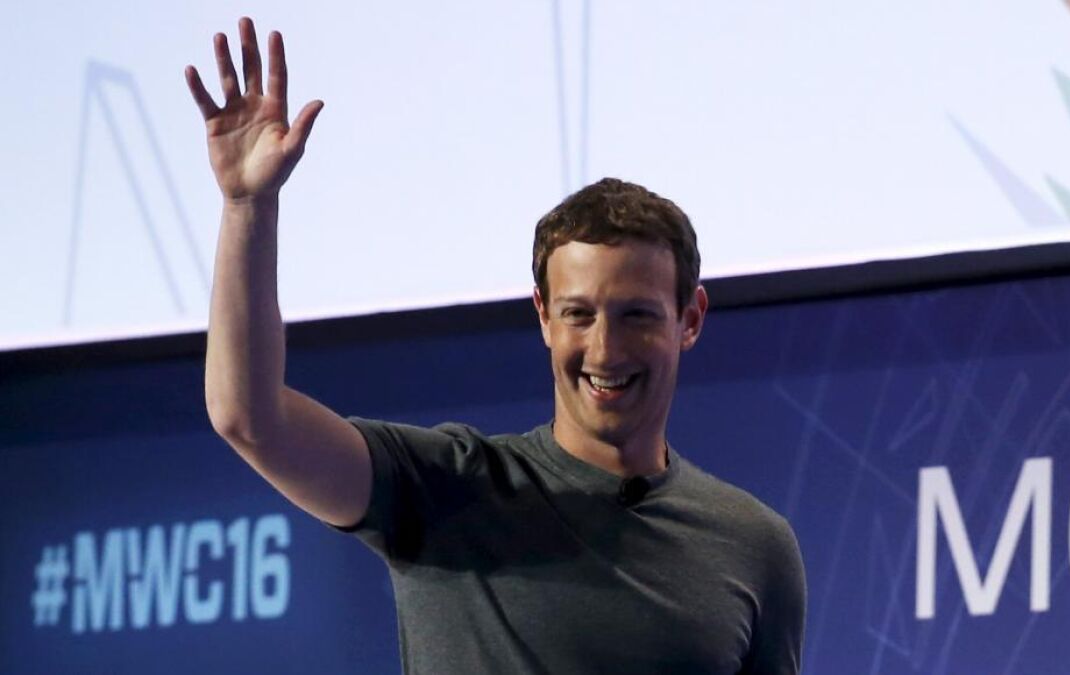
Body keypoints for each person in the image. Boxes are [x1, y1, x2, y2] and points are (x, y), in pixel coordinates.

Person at [188, 17, 805, 674]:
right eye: (578, 314)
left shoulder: (754, 545)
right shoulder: (446, 490)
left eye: (637, 316)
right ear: (543, 316)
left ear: (691, 318)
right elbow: (249, 418)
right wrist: (248, 208)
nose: (605, 348)